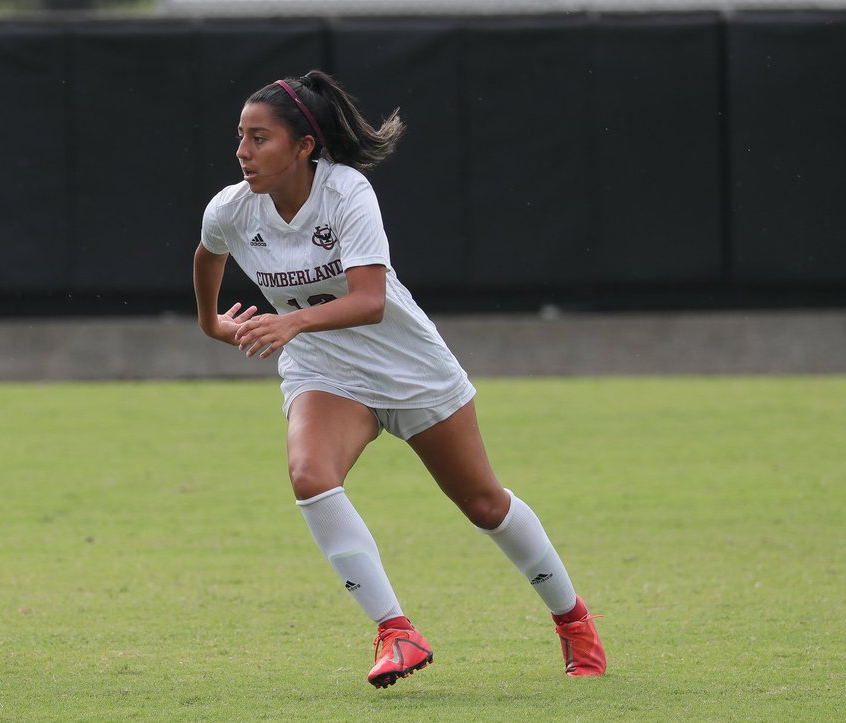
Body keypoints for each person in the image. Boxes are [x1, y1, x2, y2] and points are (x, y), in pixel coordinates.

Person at [193, 70, 606, 688]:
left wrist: (292, 322)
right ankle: (396, 631)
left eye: (260, 138)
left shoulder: (346, 192)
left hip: (408, 366)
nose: (243, 151)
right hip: (326, 369)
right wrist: (212, 325)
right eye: (240, 137)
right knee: (310, 476)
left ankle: (574, 623)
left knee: (483, 503)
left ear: (304, 146)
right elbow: (207, 255)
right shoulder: (232, 207)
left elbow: (370, 300)